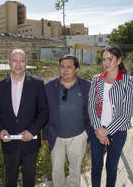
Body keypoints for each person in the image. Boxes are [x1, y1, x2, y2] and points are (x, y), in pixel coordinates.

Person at [0, 49, 49, 187]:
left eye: (22, 61)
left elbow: (44, 112)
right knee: (10, 179)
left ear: (26, 63)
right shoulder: (0, 86)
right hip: (9, 143)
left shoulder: (37, 84)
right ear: (9, 63)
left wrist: (32, 131)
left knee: (29, 180)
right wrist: (0, 130)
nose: (18, 64)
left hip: (30, 143)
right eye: (15, 60)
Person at [88, 46, 133, 187]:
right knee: (96, 166)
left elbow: (126, 113)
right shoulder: (96, 79)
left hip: (118, 132)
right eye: (104, 59)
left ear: (119, 60)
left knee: (111, 167)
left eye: (110, 59)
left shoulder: (127, 81)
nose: (106, 62)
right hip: (96, 131)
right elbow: (91, 105)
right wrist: (98, 130)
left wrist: (106, 131)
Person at [43, 55, 91, 187]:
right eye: (62, 67)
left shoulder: (87, 86)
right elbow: (44, 112)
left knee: (75, 171)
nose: (65, 70)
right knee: (57, 171)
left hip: (78, 136)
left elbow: (93, 109)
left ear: (76, 69)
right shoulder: (49, 87)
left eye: (69, 67)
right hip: (56, 136)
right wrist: (46, 133)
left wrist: (88, 131)